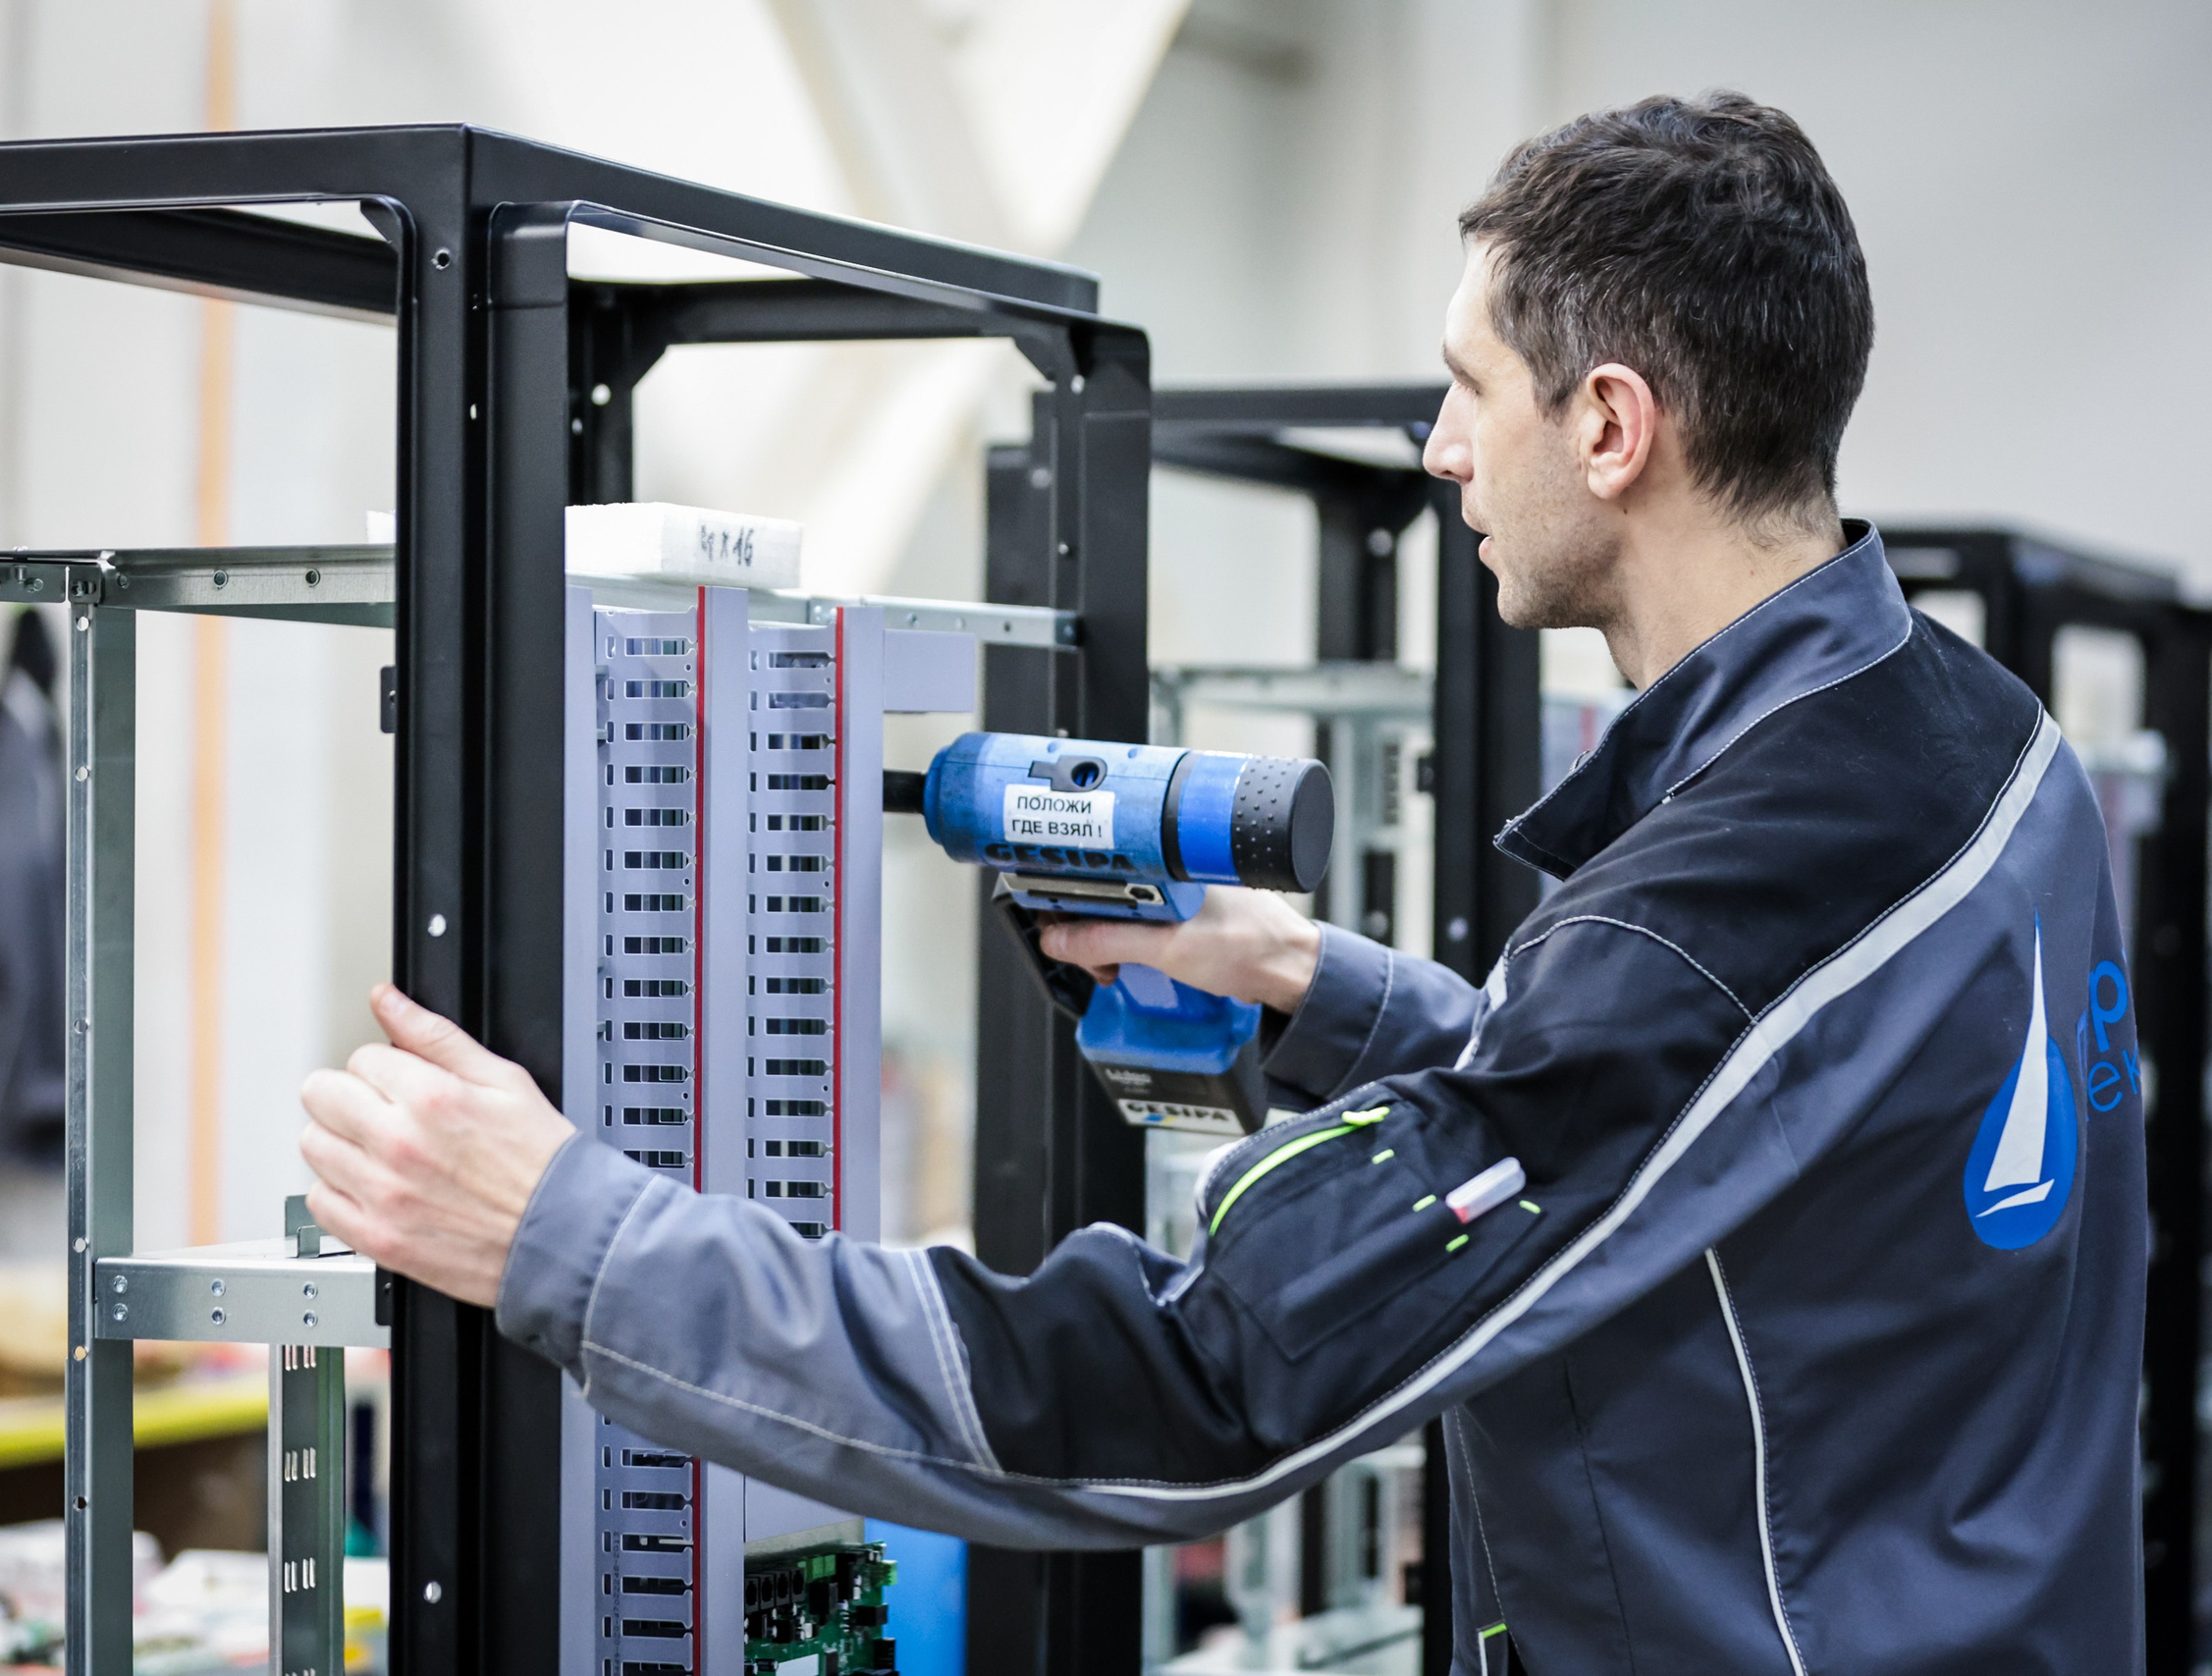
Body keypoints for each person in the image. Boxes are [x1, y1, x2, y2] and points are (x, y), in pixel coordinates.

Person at [297, 92, 2140, 1673]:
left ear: (1608, 424)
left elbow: (1207, 1391)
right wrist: (1322, 990)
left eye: (1467, 388)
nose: (1436, 449)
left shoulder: (1715, 917)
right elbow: (1737, 1149)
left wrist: (575, 1236)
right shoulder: (1977, 742)